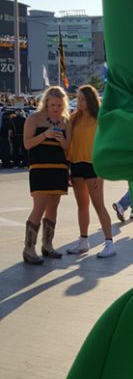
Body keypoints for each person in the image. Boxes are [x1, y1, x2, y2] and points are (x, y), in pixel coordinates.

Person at [66, 84, 116, 258]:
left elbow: (107, 145)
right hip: (76, 165)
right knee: (82, 205)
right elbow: (68, 144)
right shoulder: (72, 119)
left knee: (98, 204)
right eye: (78, 98)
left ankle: (109, 242)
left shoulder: (100, 119)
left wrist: (101, 174)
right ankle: (83, 241)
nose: (79, 102)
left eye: (82, 99)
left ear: (90, 100)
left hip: (94, 166)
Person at [22, 86, 70, 264]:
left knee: (53, 207)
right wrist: (45, 135)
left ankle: (47, 245)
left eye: (58, 105)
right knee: (39, 206)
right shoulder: (34, 118)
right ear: (46, 103)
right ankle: (29, 248)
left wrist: (61, 140)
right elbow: (27, 144)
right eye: (52, 105)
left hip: (58, 168)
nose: (55, 108)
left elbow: (67, 148)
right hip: (40, 168)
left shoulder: (65, 121)